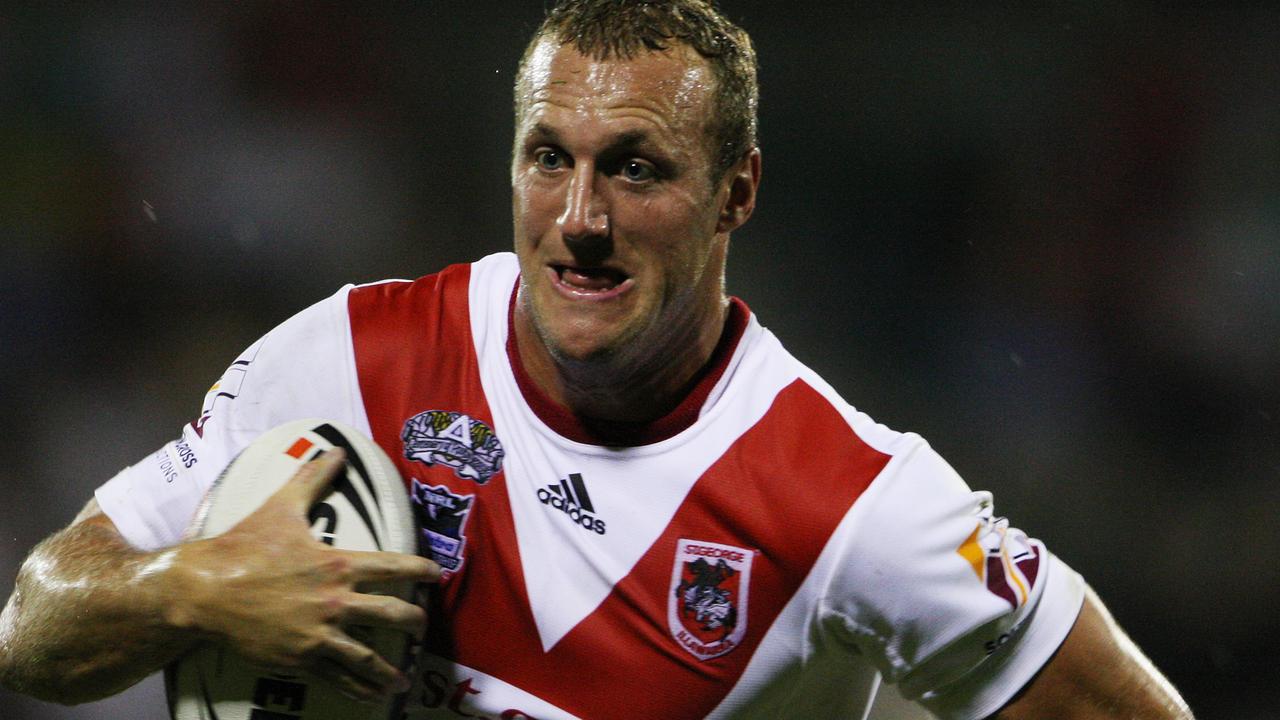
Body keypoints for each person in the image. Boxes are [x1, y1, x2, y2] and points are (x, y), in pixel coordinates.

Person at [0, 1, 1195, 718]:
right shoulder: (356, 355)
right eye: (546, 157)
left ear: (737, 190)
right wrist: (188, 588)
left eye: (635, 167)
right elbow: (35, 630)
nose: (577, 216)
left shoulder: (850, 504)